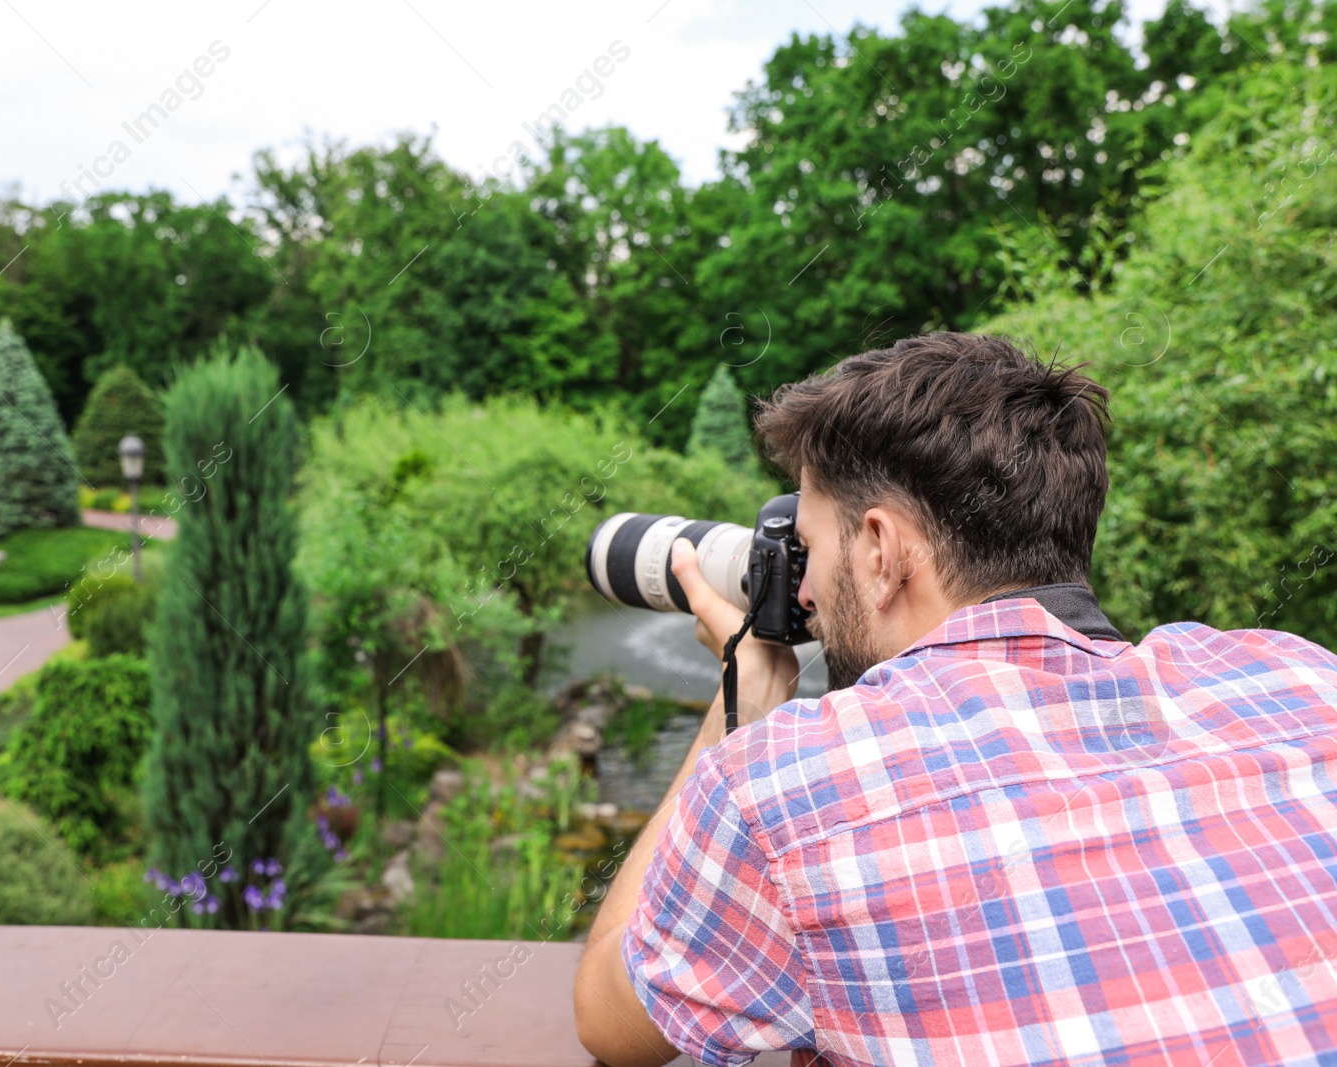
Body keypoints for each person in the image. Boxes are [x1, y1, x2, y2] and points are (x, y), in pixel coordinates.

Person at [573, 332, 1337, 1066]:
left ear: (881, 549)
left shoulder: (783, 785)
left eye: (812, 548)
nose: (801, 590)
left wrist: (739, 706)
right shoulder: (1297, 679)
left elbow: (608, 1017)